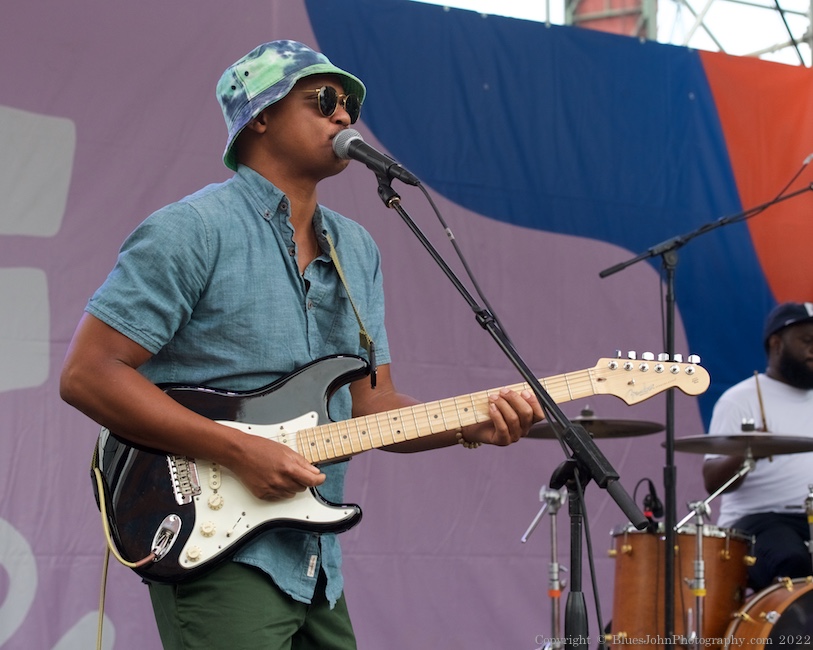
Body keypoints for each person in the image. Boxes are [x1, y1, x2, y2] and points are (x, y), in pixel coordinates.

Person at [59, 40, 543, 649]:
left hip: (314, 562)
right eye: (325, 99)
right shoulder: (191, 230)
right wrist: (236, 449)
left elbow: (373, 407)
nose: (345, 116)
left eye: (351, 106)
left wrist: (469, 424)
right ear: (261, 115)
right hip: (213, 545)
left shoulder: (358, 249)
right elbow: (88, 373)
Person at [702, 301, 813, 593]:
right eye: (807, 341)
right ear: (776, 343)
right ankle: (790, 637)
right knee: (792, 561)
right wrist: (747, 451)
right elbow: (713, 481)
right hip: (757, 520)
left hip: (808, 517)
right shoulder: (741, 399)